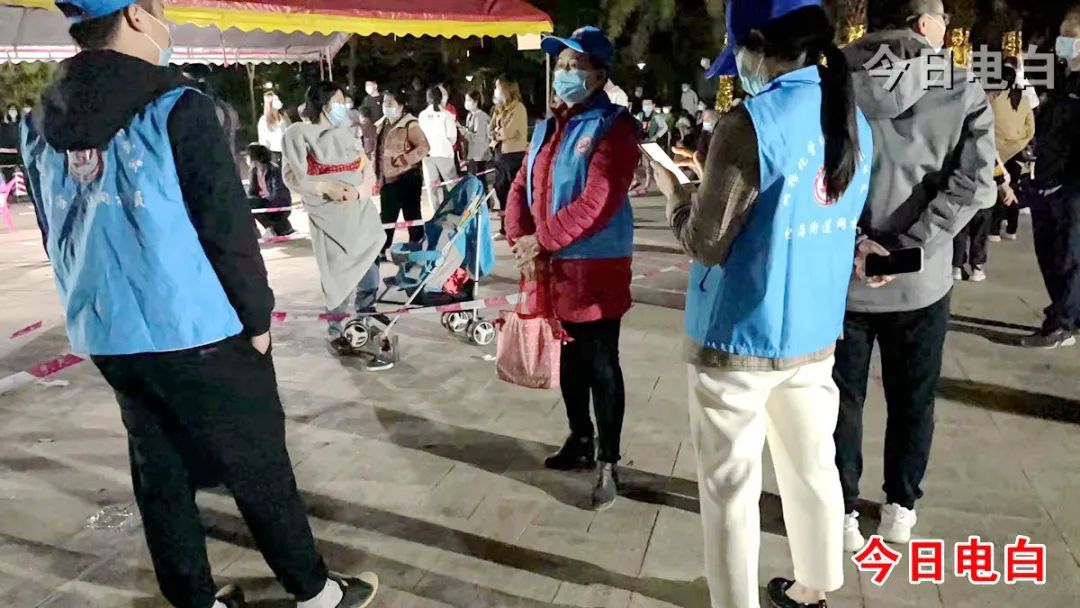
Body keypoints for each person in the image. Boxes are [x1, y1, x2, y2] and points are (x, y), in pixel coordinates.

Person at [20, 1, 380, 607]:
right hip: (198, 329)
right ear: (137, 16)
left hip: (106, 330)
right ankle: (316, 593)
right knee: (257, 463)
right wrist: (257, 319)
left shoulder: (39, 122)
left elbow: (51, 228)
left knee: (159, 468)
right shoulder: (178, 107)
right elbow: (227, 229)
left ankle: (194, 599)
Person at [654, 2, 873, 606]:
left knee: (730, 489)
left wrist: (677, 196)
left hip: (739, 336)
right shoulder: (850, 115)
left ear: (755, 44)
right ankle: (814, 589)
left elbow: (706, 242)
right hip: (814, 331)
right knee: (812, 466)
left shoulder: (749, 122)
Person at [834, 0, 996, 552]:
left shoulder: (830, 78)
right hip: (920, 283)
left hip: (841, 278)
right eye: (943, 19)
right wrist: (908, 247)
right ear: (923, 23)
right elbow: (976, 184)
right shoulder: (961, 85)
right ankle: (900, 506)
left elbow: (811, 169)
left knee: (840, 400)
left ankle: (841, 510)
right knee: (913, 400)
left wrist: (857, 241)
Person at [505, 25, 639, 512]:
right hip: (551, 264)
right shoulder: (547, 127)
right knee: (568, 358)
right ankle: (580, 437)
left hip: (596, 266)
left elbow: (598, 200)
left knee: (600, 361)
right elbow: (520, 186)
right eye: (560, 64)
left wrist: (540, 239)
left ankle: (608, 460)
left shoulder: (614, 127)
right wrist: (520, 237)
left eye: (574, 65)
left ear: (598, 75)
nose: (563, 72)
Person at [282, 82, 391, 369]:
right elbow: (293, 176)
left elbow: (366, 170)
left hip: (360, 213)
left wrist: (360, 192)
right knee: (337, 276)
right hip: (329, 218)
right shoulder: (298, 133)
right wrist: (324, 187)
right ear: (325, 103)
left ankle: (365, 318)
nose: (345, 106)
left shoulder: (348, 135)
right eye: (340, 101)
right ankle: (337, 330)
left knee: (370, 271)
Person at [1023, 9, 1080, 349]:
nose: (1062, 43)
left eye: (1069, 37)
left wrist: (1062, 178)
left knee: (1066, 255)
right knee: (1053, 252)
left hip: (1069, 185)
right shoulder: (1065, 79)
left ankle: (1063, 322)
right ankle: (1069, 313)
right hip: (1048, 179)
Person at [375, 91, 429, 255]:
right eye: (384, 102)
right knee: (387, 216)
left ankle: (417, 246)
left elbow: (424, 147)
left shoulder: (409, 124)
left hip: (408, 176)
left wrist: (405, 159)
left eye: (390, 103)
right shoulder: (382, 124)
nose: (386, 106)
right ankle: (381, 249)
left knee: (412, 215)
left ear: (400, 106)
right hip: (387, 178)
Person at [988, 60, 1034, 243]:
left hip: (995, 151)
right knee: (1013, 187)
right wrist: (1020, 143)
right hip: (1016, 151)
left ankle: (994, 230)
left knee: (998, 188)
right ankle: (1012, 228)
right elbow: (1031, 128)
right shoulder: (1023, 100)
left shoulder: (992, 99)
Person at [491, 76, 528, 236]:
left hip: (514, 155)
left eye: (498, 87)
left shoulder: (518, 108)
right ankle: (505, 228)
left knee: (515, 193)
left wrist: (497, 132)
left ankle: (518, 227)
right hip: (500, 154)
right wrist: (496, 132)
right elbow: (491, 129)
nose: (496, 90)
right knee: (501, 191)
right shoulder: (499, 108)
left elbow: (509, 132)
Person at [418, 86, 459, 211]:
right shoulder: (446, 115)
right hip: (444, 153)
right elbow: (452, 137)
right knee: (452, 185)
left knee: (432, 188)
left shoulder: (422, 115)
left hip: (428, 155)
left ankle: (435, 213)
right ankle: (455, 210)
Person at [246, 143, 295, 237]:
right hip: (264, 201)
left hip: (278, 203)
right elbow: (252, 192)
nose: (246, 158)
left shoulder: (274, 170)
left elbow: (278, 193)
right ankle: (270, 229)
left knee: (249, 202)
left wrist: (264, 199)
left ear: (254, 157)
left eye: (247, 155)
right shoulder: (253, 171)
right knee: (247, 202)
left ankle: (271, 228)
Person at [632, 98, 667, 195]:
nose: (646, 106)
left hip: (650, 142)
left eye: (648, 104)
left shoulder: (657, 116)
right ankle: (636, 180)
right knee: (634, 161)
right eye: (645, 104)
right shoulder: (640, 115)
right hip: (640, 141)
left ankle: (647, 184)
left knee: (648, 164)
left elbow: (664, 127)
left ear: (653, 105)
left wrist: (656, 136)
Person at [460, 89, 491, 176]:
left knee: (479, 178)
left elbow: (479, 137)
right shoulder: (470, 115)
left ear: (476, 101)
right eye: (466, 100)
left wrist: (465, 133)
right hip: (472, 153)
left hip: (479, 155)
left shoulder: (480, 116)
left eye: (469, 100)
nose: (466, 103)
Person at [257, 90, 290, 163]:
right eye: (275, 100)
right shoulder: (264, 120)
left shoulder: (284, 116)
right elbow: (263, 141)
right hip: (274, 154)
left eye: (278, 99)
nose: (278, 102)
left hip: (287, 152)